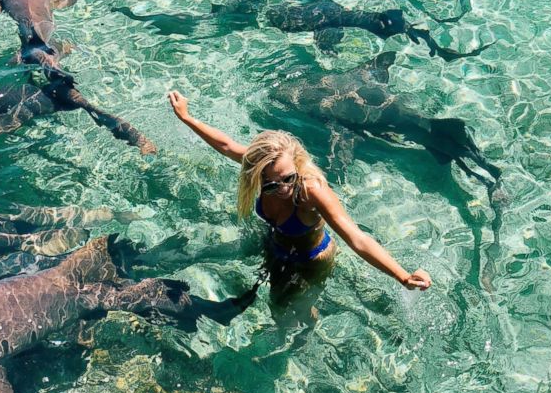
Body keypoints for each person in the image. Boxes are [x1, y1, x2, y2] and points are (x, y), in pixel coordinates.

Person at [168, 91, 432, 309]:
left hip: (311, 259)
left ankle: (306, 328)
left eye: (288, 178)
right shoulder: (261, 171)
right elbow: (226, 146)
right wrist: (186, 118)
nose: (282, 188)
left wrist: (402, 276)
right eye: (271, 183)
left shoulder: (310, 191)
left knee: (284, 310)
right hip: (277, 243)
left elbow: (357, 237)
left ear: (296, 165)